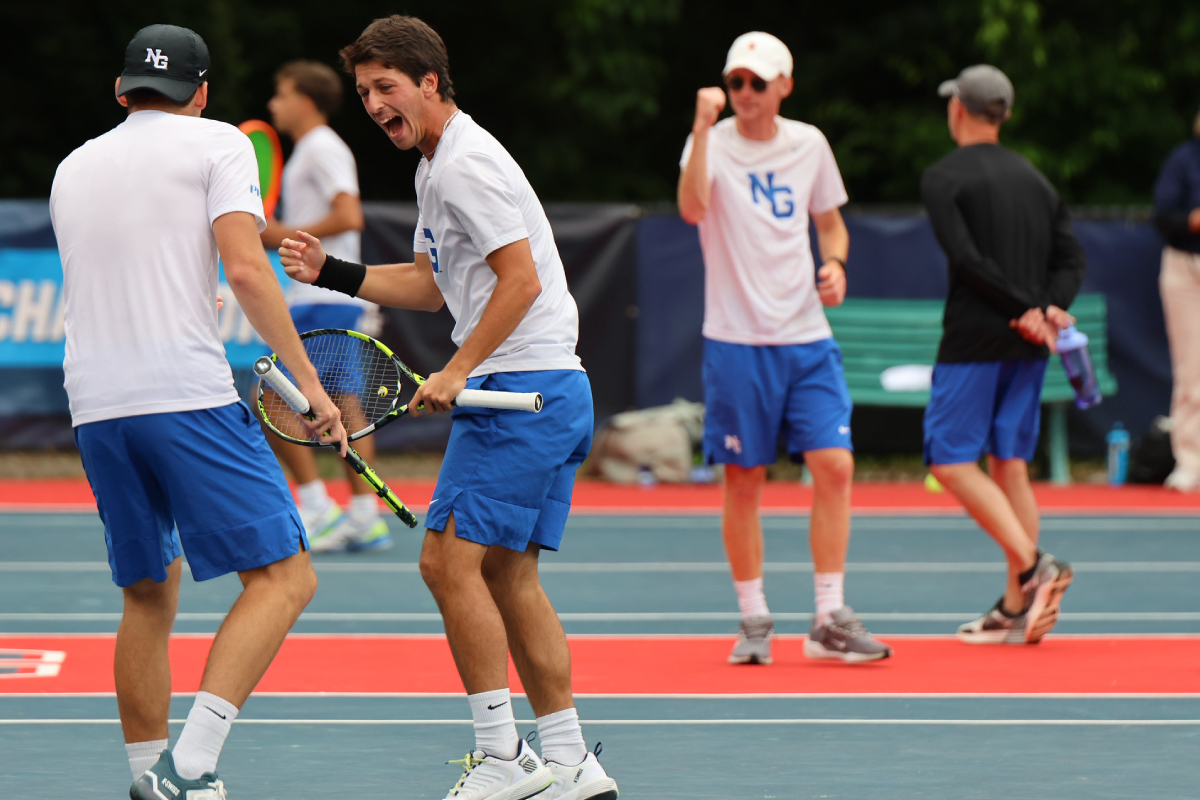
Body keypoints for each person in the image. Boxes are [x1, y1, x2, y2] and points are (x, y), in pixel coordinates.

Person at [279, 15, 617, 800]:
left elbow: (521, 279)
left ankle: (503, 759)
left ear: (430, 82)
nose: (373, 104)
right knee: (508, 577)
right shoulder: (439, 166)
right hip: (553, 391)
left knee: (443, 563)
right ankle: (570, 762)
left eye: (386, 88)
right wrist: (333, 270)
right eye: (363, 92)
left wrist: (461, 369)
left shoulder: (464, 164)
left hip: (516, 394)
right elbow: (436, 286)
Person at [50, 24, 346, 798]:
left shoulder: (73, 166)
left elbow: (119, 273)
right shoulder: (220, 145)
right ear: (203, 91)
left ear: (122, 89)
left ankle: (146, 779)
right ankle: (188, 771)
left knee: (146, 593)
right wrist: (312, 387)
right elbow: (248, 270)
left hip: (95, 404)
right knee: (286, 578)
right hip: (183, 395)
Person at [677, 31, 891, 665]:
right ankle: (753, 618)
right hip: (737, 339)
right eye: (736, 81)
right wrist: (700, 123)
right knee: (743, 478)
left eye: (757, 83)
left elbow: (830, 222)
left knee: (836, 465)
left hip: (806, 336)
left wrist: (836, 264)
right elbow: (691, 209)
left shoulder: (810, 144)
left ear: (783, 87)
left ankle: (828, 615)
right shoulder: (707, 143)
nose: (744, 92)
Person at [920, 65, 1083, 644]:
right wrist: (1046, 309)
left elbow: (966, 261)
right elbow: (1071, 261)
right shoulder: (1038, 181)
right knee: (1008, 463)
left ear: (958, 109)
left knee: (949, 461)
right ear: (1004, 115)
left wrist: (1028, 308)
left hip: (974, 340)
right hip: (1029, 344)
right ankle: (1016, 607)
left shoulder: (942, 177)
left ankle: (1033, 565)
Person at [259, 59, 390, 550]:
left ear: (306, 102)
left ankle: (318, 509)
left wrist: (279, 235)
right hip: (328, 299)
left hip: (322, 299)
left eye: (282, 93)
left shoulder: (321, 147)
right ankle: (362, 514)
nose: (274, 103)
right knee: (345, 404)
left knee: (272, 396)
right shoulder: (310, 151)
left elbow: (348, 214)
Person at [1152, 107, 1200, 493]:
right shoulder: (1184, 160)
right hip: (1186, 267)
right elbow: (1164, 215)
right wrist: (1193, 220)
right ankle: (1190, 461)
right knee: (1192, 370)